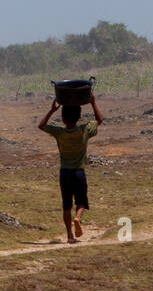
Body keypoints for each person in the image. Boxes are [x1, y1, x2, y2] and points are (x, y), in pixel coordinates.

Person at [38, 95, 104, 243]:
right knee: (81, 202)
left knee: (66, 205)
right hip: (79, 172)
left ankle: (69, 236)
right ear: (79, 116)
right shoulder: (84, 130)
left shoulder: (59, 133)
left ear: (63, 118)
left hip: (64, 172)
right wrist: (93, 103)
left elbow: (41, 126)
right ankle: (78, 217)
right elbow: (99, 120)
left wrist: (51, 111)